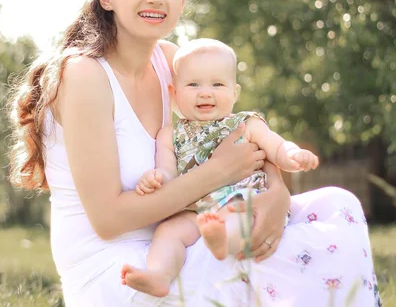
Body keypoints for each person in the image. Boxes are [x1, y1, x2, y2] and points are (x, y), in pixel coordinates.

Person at [8, 0, 382, 306]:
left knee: (338, 207)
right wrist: (217, 173)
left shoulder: (169, 62)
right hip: (124, 271)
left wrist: (276, 192)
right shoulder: (85, 74)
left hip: (188, 237)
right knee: (296, 259)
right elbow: (108, 220)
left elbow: (237, 133)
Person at [120, 38, 320, 297]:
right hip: (194, 210)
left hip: (243, 200)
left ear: (234, 93)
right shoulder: (169, 134)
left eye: (217, 84)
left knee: (241, 216)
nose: (205, 92)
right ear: (174, 94)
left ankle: (223, 242)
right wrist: (156, 177)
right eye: (193, 84)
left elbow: (276, 146)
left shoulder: (246, 123)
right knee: (168, 232)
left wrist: (292, 154)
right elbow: (168, 172)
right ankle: (160, 274)